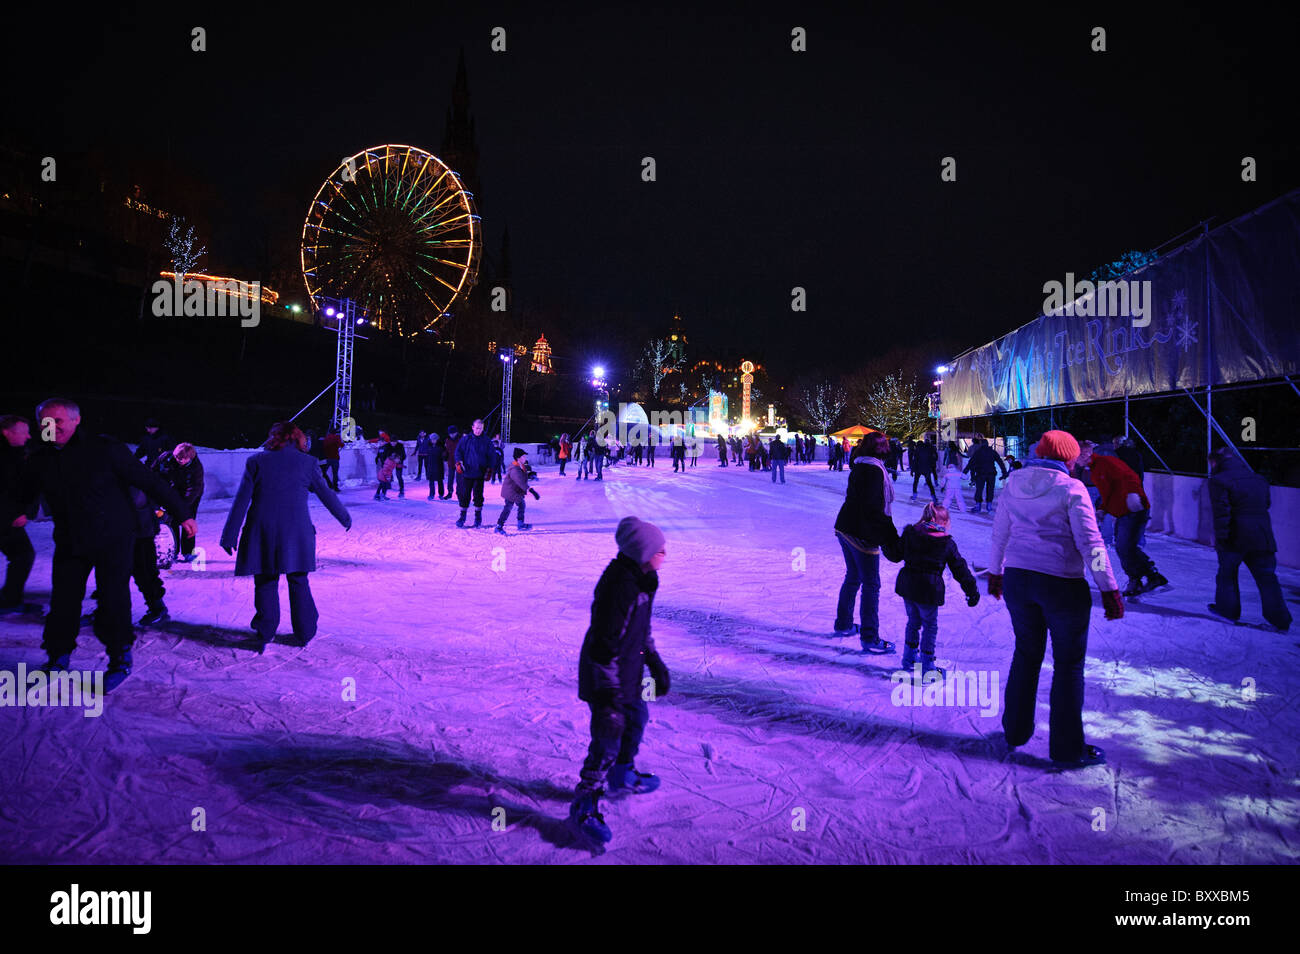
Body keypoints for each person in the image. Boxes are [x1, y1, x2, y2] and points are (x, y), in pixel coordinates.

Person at [21, 399, 195, 689]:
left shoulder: (104, 449)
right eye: (44, 422)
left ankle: (119, 658)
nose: (50, 427)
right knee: (63, 601)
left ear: (76, 421)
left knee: (113, 600)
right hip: (70, 540)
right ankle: (58, 656)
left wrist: (183, 513)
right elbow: (23, 493)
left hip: (113, 538)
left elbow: (150, 482)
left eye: (57, 421)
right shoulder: (41, 457)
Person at [988, 430, 1123, 768]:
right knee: (1067, 665)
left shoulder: (1014, 481)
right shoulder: (1071, 488)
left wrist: (995, 572)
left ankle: (1015, 730)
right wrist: (1108, 587)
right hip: (1061, 584)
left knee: (1026, 655)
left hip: (1019, 580)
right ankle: (1067, 749)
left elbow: (1000, 532)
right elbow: (1090, 543)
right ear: (1067, 457)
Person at [569, 516, 670, 846]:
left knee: (636, 719)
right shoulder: (620, 585)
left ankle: (622, 771)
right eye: (660, 549)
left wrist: (653, 660)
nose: (664, 554)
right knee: (608, 735)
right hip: (606, 675)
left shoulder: (644, 579)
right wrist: (610, 691)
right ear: (642, 552)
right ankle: (586, 800)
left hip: (629, 670)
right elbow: (603, 644)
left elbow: (641, 629)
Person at [220, 422, 351, 651]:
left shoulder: (256, 462)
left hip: (262, 531)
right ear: (299, 439)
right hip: (296, 533)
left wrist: (230, 535)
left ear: (273, 438)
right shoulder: (308, 463)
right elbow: (325, 493)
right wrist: (344, 517)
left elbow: (242, 500)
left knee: (266, 580)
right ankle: (305, 631)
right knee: (298, 580)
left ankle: (266, 630)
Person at [1207, 447, 1292, 632]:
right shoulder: (1259, 479)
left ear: (1216, 461)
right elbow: (1266, 504)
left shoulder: (1218, 481)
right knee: (1267, 578)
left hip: (1234, 534)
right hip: (1262, 534)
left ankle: (1227, 611)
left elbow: (1221, 512)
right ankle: (1280, 620)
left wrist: (1221, 538)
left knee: (1227, 575)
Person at [894, 502, 980, 681]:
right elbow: (960, 568)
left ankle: (909, 659)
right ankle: (927, 667)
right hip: (928, 590)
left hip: (908, 586)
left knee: (913, 622)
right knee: (929, 626)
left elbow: (896, 551)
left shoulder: (911, 533)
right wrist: (971, 590)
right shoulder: (945, 542)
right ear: (944, 521)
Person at [832, 432, 900, 653]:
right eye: (885, 445)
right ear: (880, 449)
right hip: (861, 533)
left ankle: (843, 624)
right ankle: (870, 638)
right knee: (871, 584)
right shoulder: (874, 471)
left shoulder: (861, 465)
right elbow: (875, 510)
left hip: (845, 527)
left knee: (853, 577)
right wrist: (892, 539)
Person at [1084, 442, 1165, 597]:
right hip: (1123, 511)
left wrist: (1134, 494)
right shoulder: (1094, 470)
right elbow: (1107, 492)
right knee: (1126, 547)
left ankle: (1139, 579)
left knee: (1124, 547)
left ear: (1087, 453)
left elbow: (1131, 477)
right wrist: (1102, 509)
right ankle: (1151, 576)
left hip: (1134, 509)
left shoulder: (1106, 462)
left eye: (1079, 455)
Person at [0, 415, 37, 615]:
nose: (29, 436)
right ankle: (10, 600)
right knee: (22, 554)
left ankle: (10, 597)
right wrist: (13, 514)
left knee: (22, 554)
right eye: (24, 432)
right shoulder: (6, 457)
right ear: (6, 432)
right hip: (6, 518)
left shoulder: (15, 453)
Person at [154, 443, 204, 562]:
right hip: (171, 492)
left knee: (187, 520)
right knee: (171, 521)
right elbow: (153, 472)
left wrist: (181, 508)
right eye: (177, 458)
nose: (180, 461)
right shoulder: (166, 458)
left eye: (184, 459)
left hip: (191, 496)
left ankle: (188, 552)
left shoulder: (196, 467)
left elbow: (193, 489)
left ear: (190, 458)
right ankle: (173, 552)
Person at [454, 418, 494, 527]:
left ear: (483, 428)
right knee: (464, 495)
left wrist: (490, 469)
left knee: (478, 496)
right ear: (472, 427)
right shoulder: (465, 439)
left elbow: (491, 456)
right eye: (476, 428)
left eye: (480, 428)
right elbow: (458, 452)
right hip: (467, 473)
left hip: (479, 474)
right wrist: (458, 462)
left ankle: (478, 517)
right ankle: (462, 517)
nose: (478, 430)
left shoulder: (487, 441)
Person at [496, 448, 541, 534]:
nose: (525, 458)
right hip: (510, 492)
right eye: (523, 456)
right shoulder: (515, 469)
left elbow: (523, 475)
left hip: (515, 492)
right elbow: (520, 481)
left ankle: (520, 524)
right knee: (508, 508)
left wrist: (531, 474)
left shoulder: (521, 466)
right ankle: (499, 526)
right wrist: (531, 490)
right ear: (518, 458)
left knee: (521, 504)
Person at [964, 436, 1008, 514]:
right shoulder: (992, 452)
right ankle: (989, 506)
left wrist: (964, 472)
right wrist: (1004, 472)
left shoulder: (978, 452)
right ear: (987, 444)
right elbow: (1000, 462)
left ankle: (978, 506)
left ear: (981, 445)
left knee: (979, 489)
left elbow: (971, 463)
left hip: (981, 473)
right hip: (991, 473)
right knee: (990, 489)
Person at [939, 440, 967, 513]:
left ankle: (945, 507)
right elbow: (965, 477)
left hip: (952, 466)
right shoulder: (951, 450)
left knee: (948, 497)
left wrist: (942, 487)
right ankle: (962, 509)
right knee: (959, 498)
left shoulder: (952, 450)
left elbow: (943, 480)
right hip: (954, 469)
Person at [910, 436, 938, 502]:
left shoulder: (917, 450)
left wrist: (912, 470)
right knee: (929, 483)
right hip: (926, 469)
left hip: (918, 469)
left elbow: (914, 461)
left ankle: (914, 494)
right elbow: (932, 458)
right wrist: (931, 467)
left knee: (916, 482)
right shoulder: (928, 450)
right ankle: (934, 496)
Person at [442, 426, 461, 500]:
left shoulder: (460, 440)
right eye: (450, 433)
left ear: (456, 432)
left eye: (453, 433)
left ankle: (459, 493)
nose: (452, 435)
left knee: (459, 479)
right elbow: (446, 450)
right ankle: (450, 492)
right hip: (451, 462)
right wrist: (444, 456)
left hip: (459, 463)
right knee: (450, 478)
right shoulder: (447, 440)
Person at [426, 432, 445, 501]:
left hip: (439, 466)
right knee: (431, 481)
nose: (433, 440)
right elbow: (427, 456)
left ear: (437, 440)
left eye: (435, 439)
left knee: (440, 481)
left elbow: (444, 456)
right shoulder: (429, 446)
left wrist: (444, 456)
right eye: (432, 439)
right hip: (431, 466)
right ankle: (431, 494)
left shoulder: (441, 447)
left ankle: (441, 494)